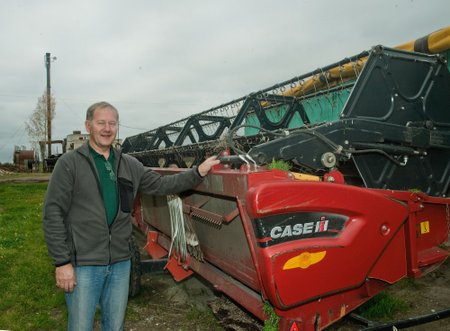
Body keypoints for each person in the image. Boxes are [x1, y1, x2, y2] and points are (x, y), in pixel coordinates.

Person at [42, 101, 220, 331]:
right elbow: (52, 213)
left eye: (112, 123)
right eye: (101, 123)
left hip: (119, 262)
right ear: (88, 126)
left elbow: (162, 185)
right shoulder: (70, 164)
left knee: (114, 326)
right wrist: (62, 262)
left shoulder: (128, 164)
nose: (107, 129)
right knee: (80, 326)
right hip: (83, 264)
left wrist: (198, 172)